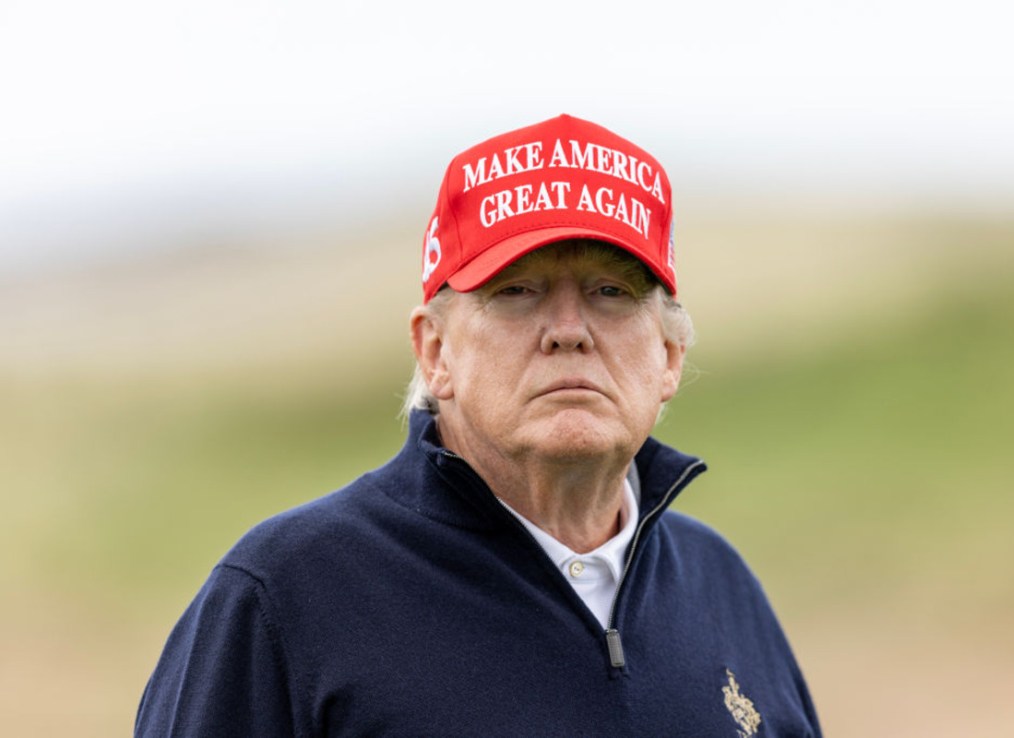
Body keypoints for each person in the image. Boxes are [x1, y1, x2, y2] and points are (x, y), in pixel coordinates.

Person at [136, 114, 822, 737]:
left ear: (668, 356)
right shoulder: (287, 596)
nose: (567, 332)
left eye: (610, 291)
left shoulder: (718, 584)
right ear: (435, 351)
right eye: (515, 291)